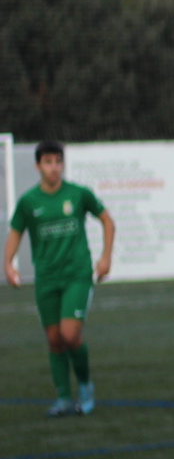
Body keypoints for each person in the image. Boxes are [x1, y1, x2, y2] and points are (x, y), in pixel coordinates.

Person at [5, 140, 114, 416]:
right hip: (46, 279)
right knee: (54, 340)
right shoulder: (29, 201)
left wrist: (105, 258)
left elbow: (107, 221)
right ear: (38, 166)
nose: (54, 168)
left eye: (58, 161)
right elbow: (16, 231)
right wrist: (8, 263)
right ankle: (64, 398)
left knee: (70, 334)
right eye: (48, 162)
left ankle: (86, 385)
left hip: (76, 275)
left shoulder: (78, 194)